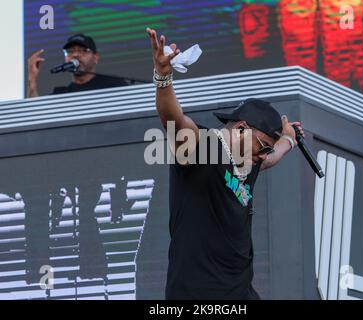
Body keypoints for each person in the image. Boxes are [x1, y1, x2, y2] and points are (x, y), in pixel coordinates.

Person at [146, 27, 305, 299]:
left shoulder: (249, 161)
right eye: (262, 146)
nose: (263, 155)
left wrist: (287, 140)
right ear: (242, 128)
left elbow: (273, 156)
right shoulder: (202, 148)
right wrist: (163, 76)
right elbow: (171, 118)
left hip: (240, 292)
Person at [27, 33, 128, 97]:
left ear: (96, 57)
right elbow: (36, 116)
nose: (75, 54)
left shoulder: (113, 85)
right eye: (70, 51)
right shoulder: (61, 95)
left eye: (83, 51)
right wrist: (32, 79)